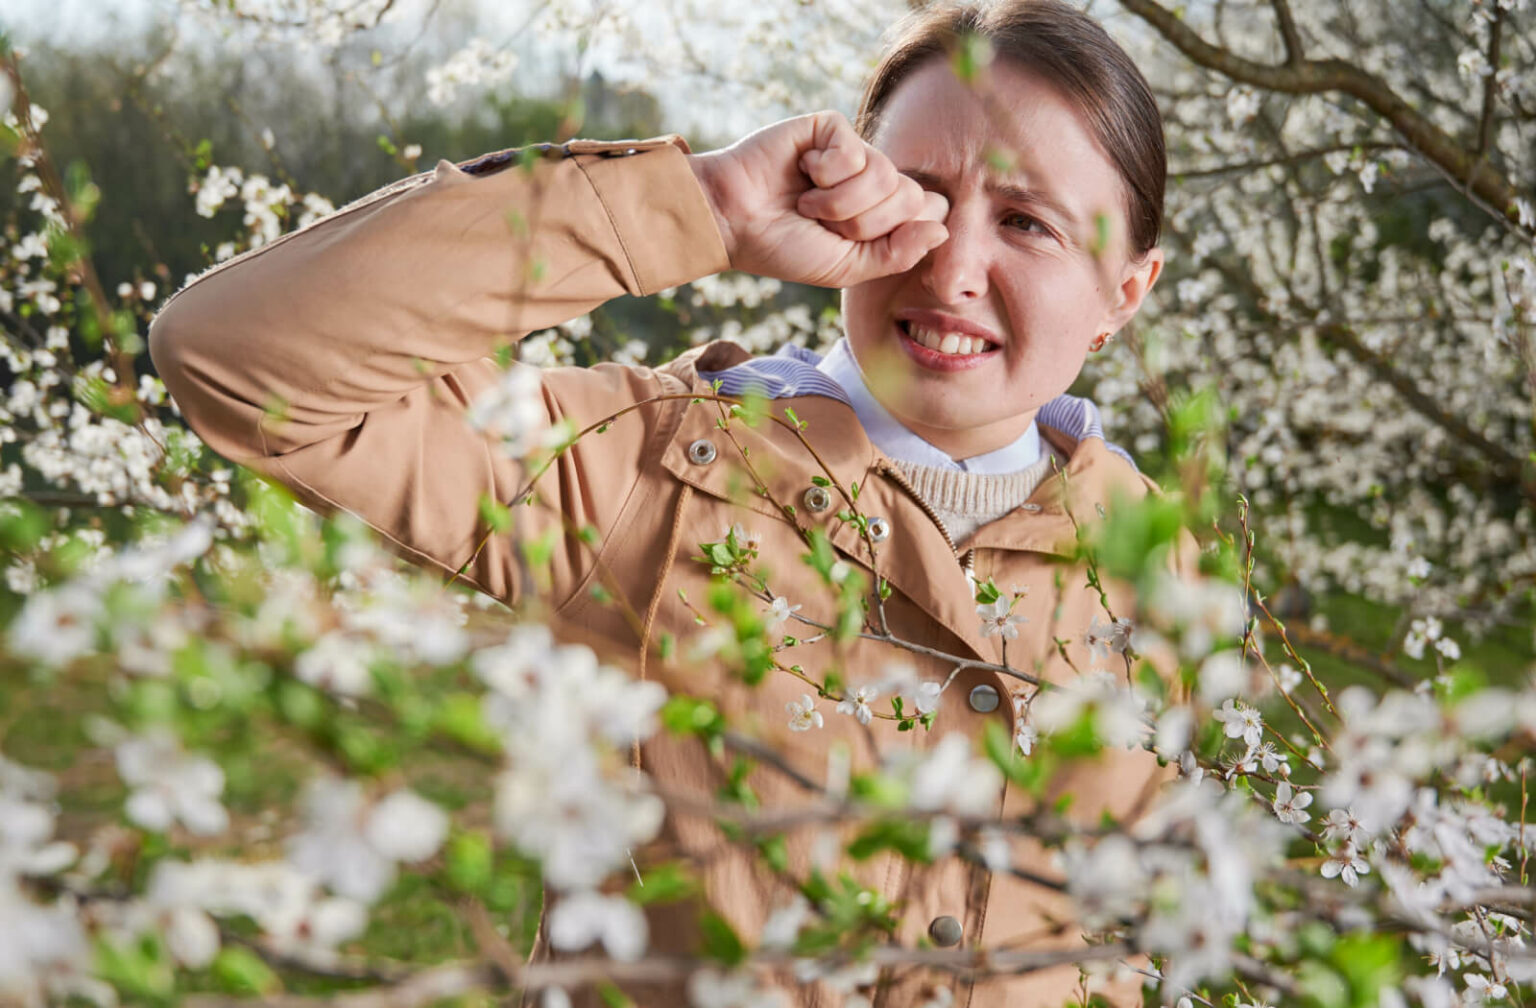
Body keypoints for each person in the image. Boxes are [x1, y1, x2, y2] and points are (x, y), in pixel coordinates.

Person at [149, 1, 1172, 1004]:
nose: (951, 268)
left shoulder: (1165, 573)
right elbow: (236, 358)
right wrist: (706, 209)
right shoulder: (638, 470)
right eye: (920, 193)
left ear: (1127, 291)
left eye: (1027, 221)